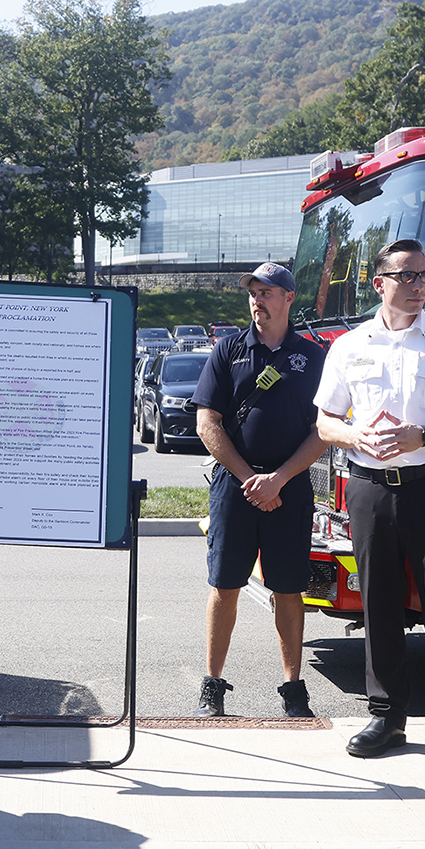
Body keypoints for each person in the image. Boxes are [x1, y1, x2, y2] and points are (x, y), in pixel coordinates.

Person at [314, 241, 425, 774]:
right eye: (407, 276)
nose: (419, 285)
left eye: (424, 275)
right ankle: (387, 717)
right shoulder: (349, 346)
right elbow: (324, 422)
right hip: (368, 488)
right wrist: (355, 436)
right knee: (379, 603)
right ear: (379, 283)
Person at [187, 262, 329, 718]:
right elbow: (207, 423)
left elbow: (323, 430)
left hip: (289, 488)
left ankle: (293, 689)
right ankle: (212, 686)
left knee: (288, 590)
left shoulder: (313, 357)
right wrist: (251, 478)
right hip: (236, 488)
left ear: (288, 298)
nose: (257, 300)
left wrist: (279, 479)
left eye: (266, 292)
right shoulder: (228, 350)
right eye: (253, 293)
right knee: (224, 585)